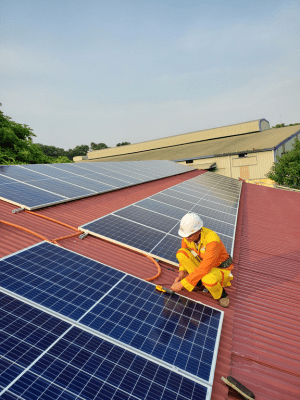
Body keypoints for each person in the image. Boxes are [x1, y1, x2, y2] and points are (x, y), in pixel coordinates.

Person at [170, 213, 233, 307]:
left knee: (207, 279)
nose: (186, 238)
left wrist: (182, 284)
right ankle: (198, 282)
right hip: (203, 264)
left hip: (219, 268)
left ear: (198, 230)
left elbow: (205, 268)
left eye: (189, 235)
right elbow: (185, 257)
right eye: (185, 235)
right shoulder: (187, 238)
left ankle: (221, 295)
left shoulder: (212, 240)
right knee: (181, 253)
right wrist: (181, 273)